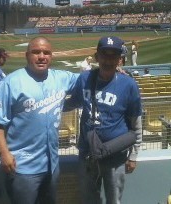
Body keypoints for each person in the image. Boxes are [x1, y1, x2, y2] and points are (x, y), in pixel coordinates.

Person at [0, 37, 78, 204]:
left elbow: (88, 79)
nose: (41, 56)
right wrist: (4, 153)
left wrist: (116, 69)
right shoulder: (9, 83)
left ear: (51, 56)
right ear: (27, 55)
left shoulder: (62, 77)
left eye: (46, 53)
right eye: (36, 52)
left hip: (51, 164)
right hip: (22, 166)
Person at [64, 36, 142, 204]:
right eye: (104, 55)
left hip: (115, 155)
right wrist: (52, 106)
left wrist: (134, 155)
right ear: (96, 56)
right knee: (88, 199)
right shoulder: (85, 78)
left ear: (120, 59)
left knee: (114, 200)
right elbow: (74, 102)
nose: (108, 60)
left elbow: (136, 123)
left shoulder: (129, 84)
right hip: (87, 153)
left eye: (113, 55)